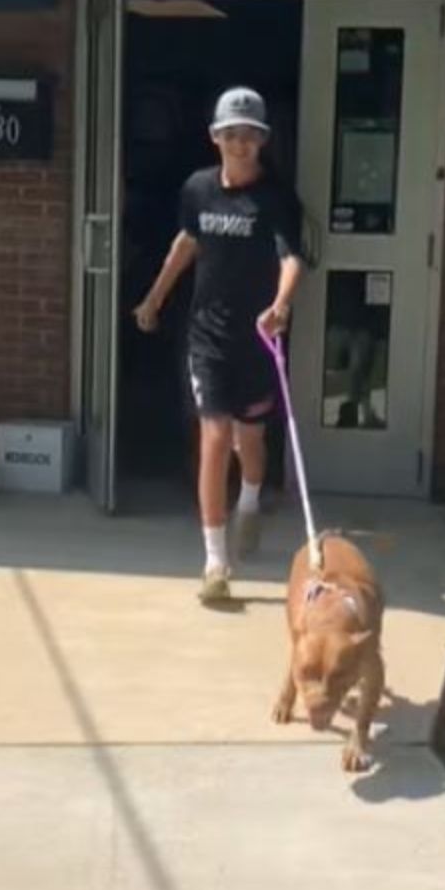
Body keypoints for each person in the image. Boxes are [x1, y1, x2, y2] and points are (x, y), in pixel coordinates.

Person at [133, 87, 305, 603]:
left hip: (256, 337)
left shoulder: (276, 200)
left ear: (262, 141)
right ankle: (215, 562)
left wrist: (281, 305)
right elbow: (186, 244)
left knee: (248, 445)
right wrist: (154, 299)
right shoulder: (197, 190)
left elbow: (292, 258)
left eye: (249, 136)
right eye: (231, 134)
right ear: (215, 138)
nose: (240, 143)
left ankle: (249, 502)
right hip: (206, 336)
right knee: (213, 437)